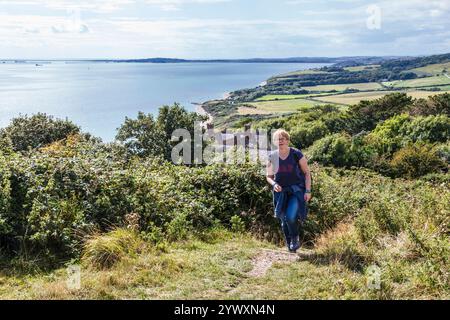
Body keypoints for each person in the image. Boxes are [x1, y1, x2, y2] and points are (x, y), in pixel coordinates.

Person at [266, 129, 312, 253]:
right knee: (283, 219)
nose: (280, 141)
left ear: (287, 140)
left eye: (282, 139)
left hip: (296, 190)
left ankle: (295, 238)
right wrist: (274, 184)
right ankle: (290, 244)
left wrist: (308, 191)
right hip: (280, 192)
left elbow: (307, 173)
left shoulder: (296, 153)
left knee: (290, 216)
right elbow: (269, 177)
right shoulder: (272, 156)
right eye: (277, 139)